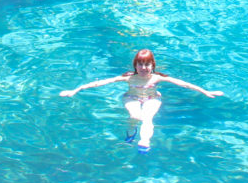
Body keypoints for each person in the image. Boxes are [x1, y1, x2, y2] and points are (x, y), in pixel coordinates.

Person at [60, 49, 223, 151]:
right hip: (132, 98)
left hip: (152, 98)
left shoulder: (157, 78)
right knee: (135, 117)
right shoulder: (129, 78)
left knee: (147, 118)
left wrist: (205, 91)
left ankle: (145, 141)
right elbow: (100, 82)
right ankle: (131, 133)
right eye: (140, 65)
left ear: (153, 65)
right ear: (135, 65)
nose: (144, 68)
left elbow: (184, 84)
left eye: (147, 64)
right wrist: (75, 90)